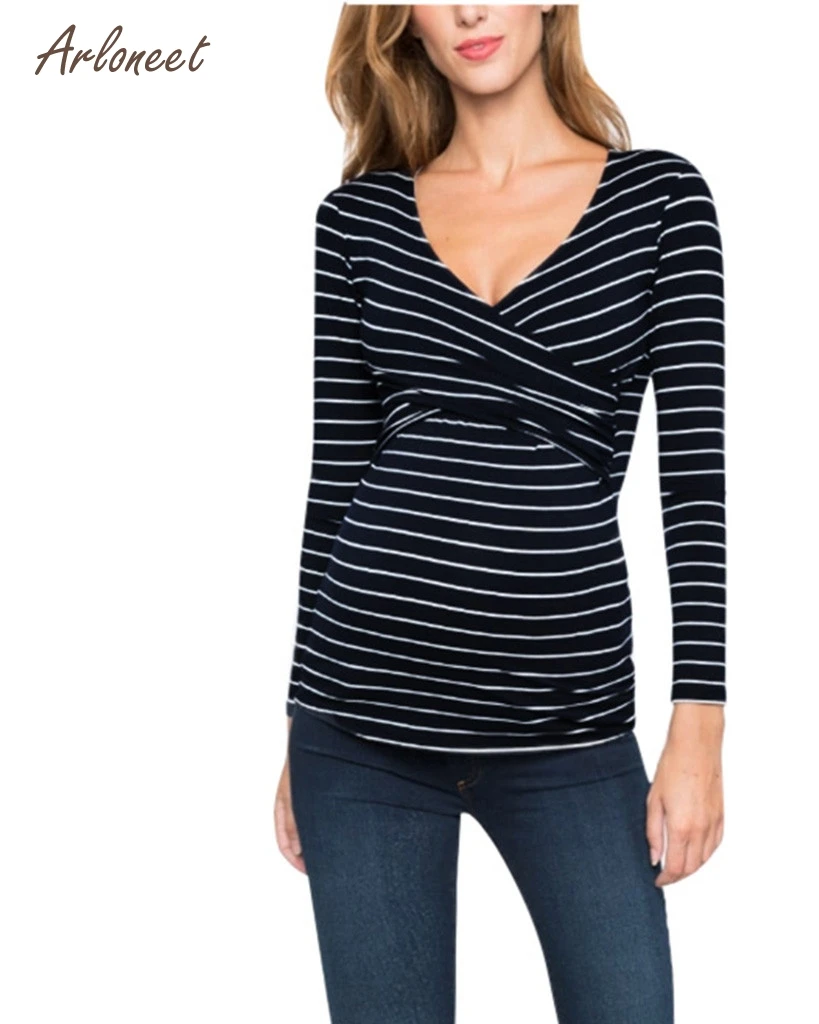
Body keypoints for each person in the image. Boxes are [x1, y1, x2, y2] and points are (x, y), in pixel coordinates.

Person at [273, 5, 726, 1022]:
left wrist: (698, 727)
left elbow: (694, 483)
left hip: (568, 732)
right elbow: (334, 482)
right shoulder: (357, 220)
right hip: (359, 726)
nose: (470, 11)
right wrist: (297, 719)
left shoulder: (661, 201)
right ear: (403, 24)